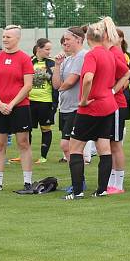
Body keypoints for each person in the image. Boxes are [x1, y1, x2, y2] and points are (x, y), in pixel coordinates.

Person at [63, 21, 118, 199]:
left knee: (75, 148)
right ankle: (102, 189)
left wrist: (84, 99)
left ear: (87, 38)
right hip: (108, 105)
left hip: (92, 107)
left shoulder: (92, 55)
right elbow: (124, 74)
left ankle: (77, 191)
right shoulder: (109, 54)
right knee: (104, 147)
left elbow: (87, 78)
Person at [0, 25, 35, 192]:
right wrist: (0, 103)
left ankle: (28, 182)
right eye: (4, 36)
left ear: (17, 38)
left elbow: (27, 85)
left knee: (23, 143)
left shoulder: (24, 58)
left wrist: (12, 103)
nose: (5, 39)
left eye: (8, 37)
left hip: (20, 107)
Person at [52, 28, 86, 179]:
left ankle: (79, 181)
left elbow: (70, 82)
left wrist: (60, 87)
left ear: (78, 39)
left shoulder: (82, 56)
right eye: (64, 40)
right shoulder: (68, 59)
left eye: (68, 39)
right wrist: (58, 65)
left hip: (76, 108)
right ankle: (77, 180)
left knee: (69, 146)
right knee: (68, 147)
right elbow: (55, 84)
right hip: (64, 108)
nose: (65, 42)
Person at [106, 20, 130, 194]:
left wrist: (113, 91)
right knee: (109, 143)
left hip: (117, 104)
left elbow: (127, 74)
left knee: (115, 144)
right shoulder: (109, 51)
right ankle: (111, 181)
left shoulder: (115, 52)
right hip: (109, 104)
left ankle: (118, 184)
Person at [28, 38, 57, 164]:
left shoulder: (52, 63)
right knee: (25, 129)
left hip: (45, 101)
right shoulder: (29, 61)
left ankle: (43, 156)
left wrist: (47, 75)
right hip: (29, 101)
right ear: (38, 49)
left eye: (50, 49)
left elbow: (56, 83)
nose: (49, 52)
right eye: (47, 49)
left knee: (45, 128)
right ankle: (25, 154)